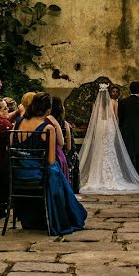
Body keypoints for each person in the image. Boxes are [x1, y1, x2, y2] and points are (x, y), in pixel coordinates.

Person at [10, 93, 87, 234]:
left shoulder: (19, 122)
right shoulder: (47, 128)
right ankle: (62, 217)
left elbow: (11, 147)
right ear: (48, 110)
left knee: (56, 173)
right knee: (56, 173)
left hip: (18, 171)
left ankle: (35, 217)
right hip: (37, 172)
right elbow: (51, 160)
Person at [79, 83, 139, 193]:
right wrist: (117, 130)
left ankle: (97, 176)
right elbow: (117, 117)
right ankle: (128, 176)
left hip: (100, 127)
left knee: (99, 151)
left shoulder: (96, 104)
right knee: (110, 150)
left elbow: (94, 118)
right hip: (110, 127)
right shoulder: (113, 102)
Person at [118, 81, 139, 175]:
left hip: (126, 132)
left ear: (130, 89)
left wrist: (122, 130)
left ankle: (128, 176)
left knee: (128, 155)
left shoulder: (123, 102)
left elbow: (120, 117)